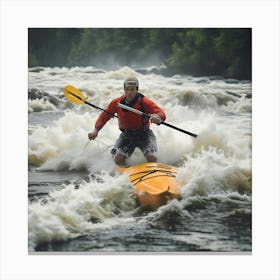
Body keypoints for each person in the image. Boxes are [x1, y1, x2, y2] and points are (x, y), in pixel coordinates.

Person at [88, 76, 166, 166]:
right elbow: (104, 117)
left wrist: (158, 117)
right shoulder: (116, 103)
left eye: (132, 89)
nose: (129, 93)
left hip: (144, 134)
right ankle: (123, 176)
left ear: (137, 89)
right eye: (127, 89)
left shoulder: (144, 102)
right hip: (127, 135)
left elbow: (161, 113)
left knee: (152, 157)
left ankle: (154, 173)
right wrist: (96, 131)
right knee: (118, 158)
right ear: (124, 89)